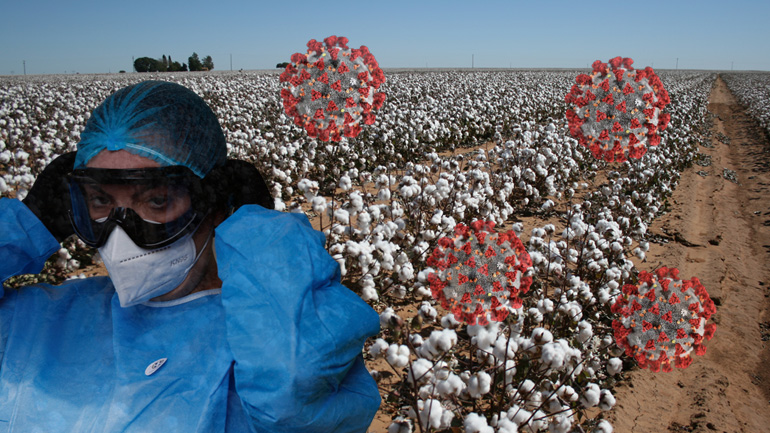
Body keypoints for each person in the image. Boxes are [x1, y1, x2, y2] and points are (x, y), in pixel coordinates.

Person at [0, 80, 381, 432]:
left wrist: (258, 234)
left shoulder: (256, 344)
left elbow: (295, 392)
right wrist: (25, 224)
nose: (121, 235)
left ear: (211, 201)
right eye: (101, 200)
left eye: (156, 200)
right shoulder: (37, 319)